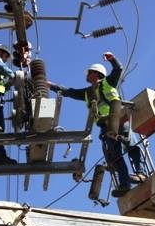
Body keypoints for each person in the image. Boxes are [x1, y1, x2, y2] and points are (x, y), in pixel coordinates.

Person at [48, 52, 145, 197]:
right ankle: (125, 184)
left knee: (132, 146)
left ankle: (141, 173)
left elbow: (118, 69)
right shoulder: (87, 93)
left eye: (89, 72)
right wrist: (51, 86)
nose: (87, 75)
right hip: (105, 127)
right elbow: (69, 92)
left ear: (96, 73)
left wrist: (112, 59)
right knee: (115, 156)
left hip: (118, 119)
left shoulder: (108, 82)